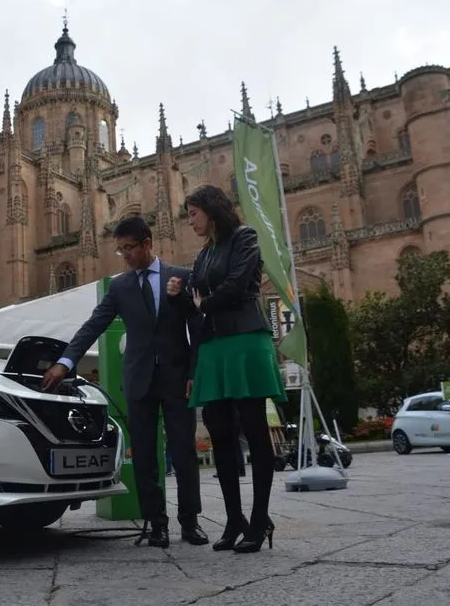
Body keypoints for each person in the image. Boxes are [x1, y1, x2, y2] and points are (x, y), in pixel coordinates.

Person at [40, 216, 208, 549]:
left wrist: (194, 373)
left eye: (129, 248)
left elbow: (197, 328)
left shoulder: (181, 277)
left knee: (184, 452)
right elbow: (93, 325)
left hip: (177, 379)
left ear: (147, 243)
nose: (125, 255)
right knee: (143, 455)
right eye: (120, 250)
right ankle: (156, 524)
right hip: (139, 379)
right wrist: (65, 361)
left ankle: (190, 523)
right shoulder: (120, 287)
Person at [166, 183, 287, 554]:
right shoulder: (204, 254)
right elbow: (195, 301)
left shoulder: (244, 237)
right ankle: (235, 520)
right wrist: (178, 294)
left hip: (245, 340)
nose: (190, 221)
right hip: (214, 346)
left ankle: (259, 518)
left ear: (211, 210)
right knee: (219, 433)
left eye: (193, 214)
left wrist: (203, 302)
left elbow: (237, 286)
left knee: (254, 429)